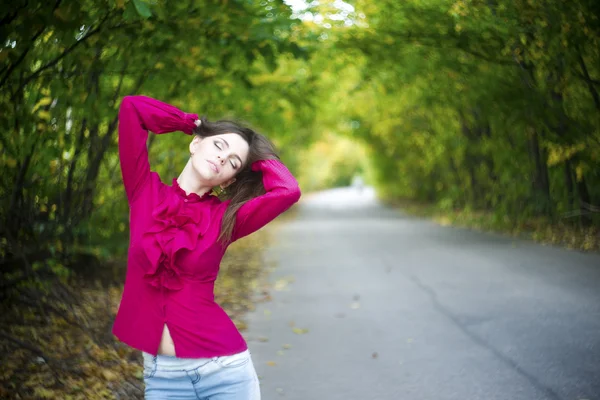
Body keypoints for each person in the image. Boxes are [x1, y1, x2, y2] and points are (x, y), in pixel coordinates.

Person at [112, 95, 301, 399]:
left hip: (224, 372)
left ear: (229, 180)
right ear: (196, 144)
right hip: (162, 378)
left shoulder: (227, 218)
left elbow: (288, 190)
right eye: (218, 145)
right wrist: (192, 123)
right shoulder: (144, 192)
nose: (223, 158)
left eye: (233, 162)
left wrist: (256, 153)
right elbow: (133, 108)